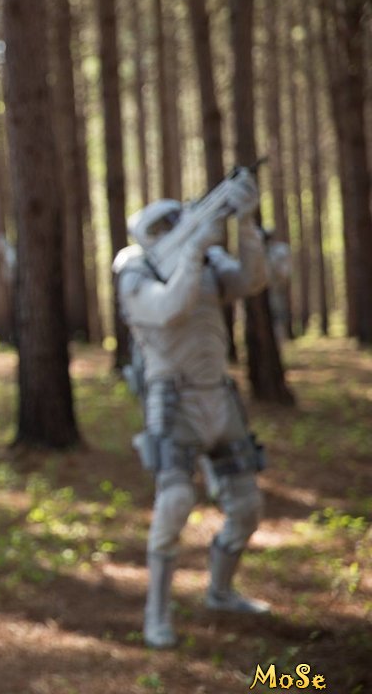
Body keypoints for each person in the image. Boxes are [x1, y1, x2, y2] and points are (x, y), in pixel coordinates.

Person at [113, 184, 271, 650]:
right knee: (175, 502)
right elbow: (168, 309)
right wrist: (193, 251)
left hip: (220, 397)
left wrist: (246, 224)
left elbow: (251, 281)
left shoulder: (206, 262)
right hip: (173, 402)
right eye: (165, 226)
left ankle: (221, 591)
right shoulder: (136, 270)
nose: (175, 229)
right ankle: (156, 614)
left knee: (247, 507)